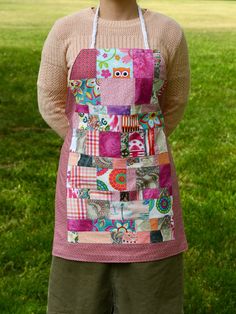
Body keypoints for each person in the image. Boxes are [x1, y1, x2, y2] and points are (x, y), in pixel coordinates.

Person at [37, 1, 191, 313]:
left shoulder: (168, 32)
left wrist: (138, 144)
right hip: (86, 188)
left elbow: (174, 102)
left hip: (148, 189)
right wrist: (87, 142)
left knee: (152, 297)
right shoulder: (66, 30)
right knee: (77, 301)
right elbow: (49, 99)